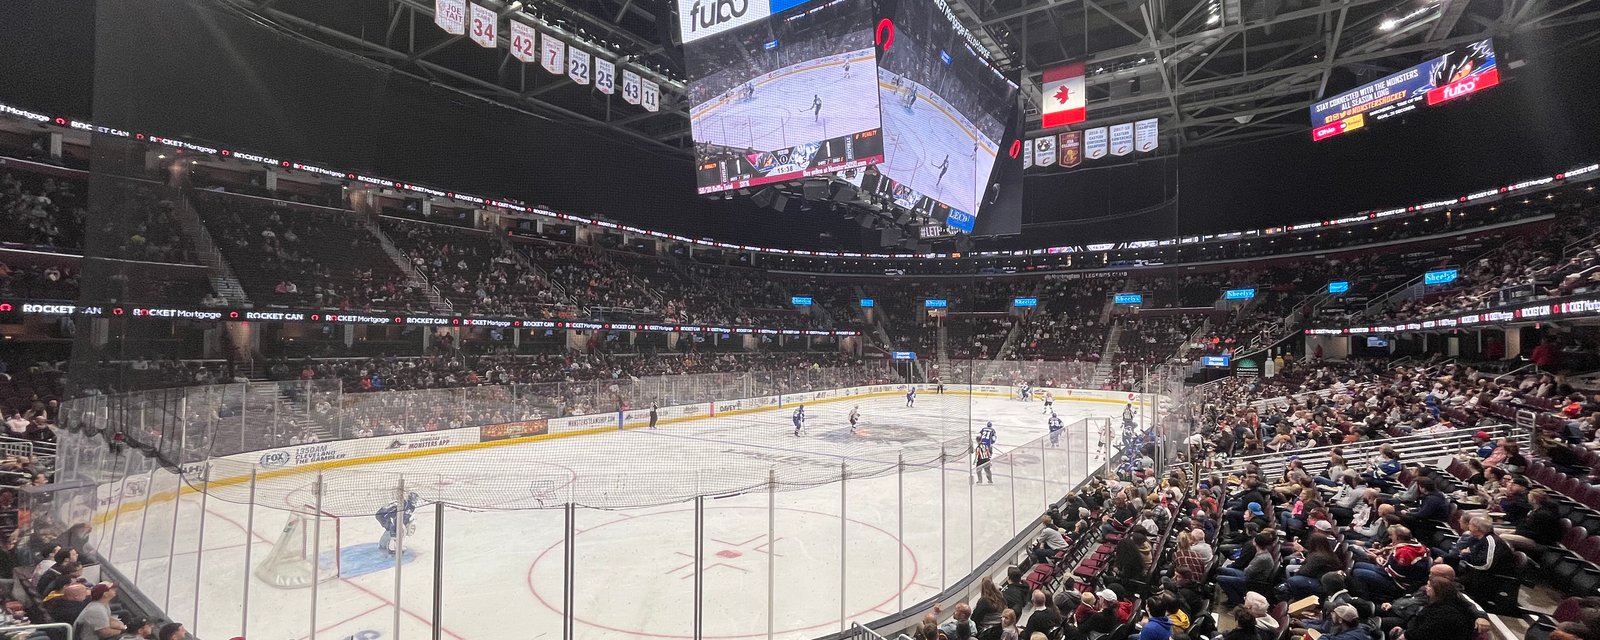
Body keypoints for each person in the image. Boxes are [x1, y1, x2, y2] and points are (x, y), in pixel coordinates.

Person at [1395, 576, 1475, 640]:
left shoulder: (1445, 613)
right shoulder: (1434, 603)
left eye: (1429, 586)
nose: (1426, 588)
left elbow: (1424, 632)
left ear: (1438, 590)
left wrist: (1405, 635)